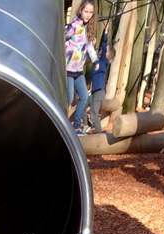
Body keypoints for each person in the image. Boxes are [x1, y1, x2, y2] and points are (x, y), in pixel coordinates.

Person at [65, 1, 98, 135]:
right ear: (80, 11)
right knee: (68, 98)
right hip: (67, 69)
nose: (88, 15)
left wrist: (95, 61)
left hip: (78, 71)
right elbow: (62, 40)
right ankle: (63, 124)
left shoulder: (87, 28)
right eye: (86, 12)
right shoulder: (73, 26)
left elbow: (89, 47)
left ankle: (76, 125)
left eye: (91, 12)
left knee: (84, 96)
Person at [89, 33, 113, 133]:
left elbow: (103, 45)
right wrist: (92, 45)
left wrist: (106, 34)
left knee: (94, 114)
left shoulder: (104, 61)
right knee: (82, 105)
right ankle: (87, 125)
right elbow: (90, 53)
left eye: (104, 50)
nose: (101, 50)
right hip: (93, 91)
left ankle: (98, 132)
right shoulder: (96, 61)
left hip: (99, 91)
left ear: (107, 54)